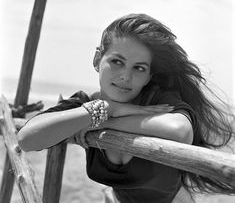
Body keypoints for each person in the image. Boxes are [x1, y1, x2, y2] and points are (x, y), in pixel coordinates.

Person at [17, 13, 235, 203]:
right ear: (97, 59)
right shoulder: (87, 104)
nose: (125, 76)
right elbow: (28, 138)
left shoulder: (156, 100)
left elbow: (180, 131)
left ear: (149, 75)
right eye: (117, 62)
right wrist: (105, 107)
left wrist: (101, 120)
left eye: (139, 68)